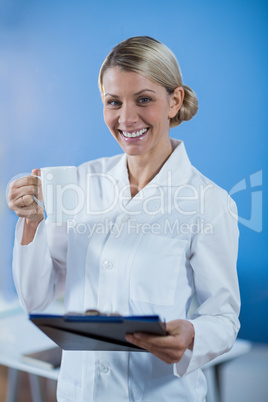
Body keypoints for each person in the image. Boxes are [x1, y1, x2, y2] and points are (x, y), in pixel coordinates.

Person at [8, 36, 240, 402]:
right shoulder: (81, 182)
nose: (127, 118)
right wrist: (32, 224)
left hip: (158, 393)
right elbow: (37, 299)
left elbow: (223, 317)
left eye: (144, 99)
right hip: (80, 392)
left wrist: (192, 335)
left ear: (174, 101)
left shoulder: (208, 202)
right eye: (113, 102)